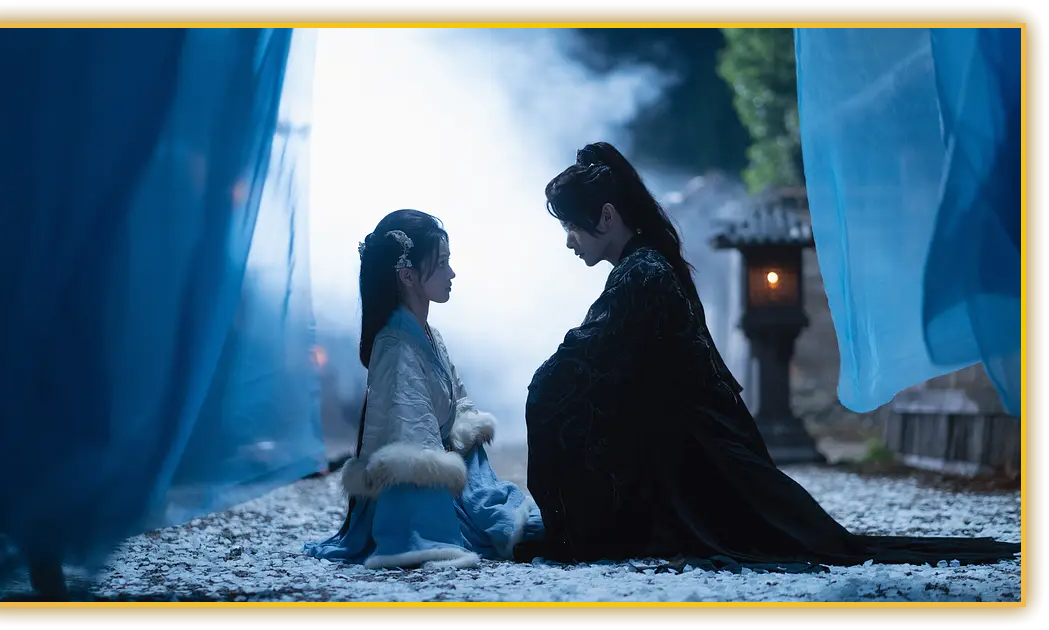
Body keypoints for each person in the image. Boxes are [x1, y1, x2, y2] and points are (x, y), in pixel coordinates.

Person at [520, 142, 1020, 571]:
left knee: (553, 396)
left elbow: (585, 360)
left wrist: (545, 390)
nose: (569, 241)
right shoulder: (644, 263)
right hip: (700, 439)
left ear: (607, 216)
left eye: (572, 227)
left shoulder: (642, 272)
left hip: (697, 452)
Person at [304, 209, 543, 569]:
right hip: (417, 497)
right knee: (533, 533)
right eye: (442, 263)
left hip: (456, 477)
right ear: (407, 275)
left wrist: (462, 450)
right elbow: (410, 442)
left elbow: (460, 406)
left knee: (529, 522)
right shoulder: (396, 346)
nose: (452, 273)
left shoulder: (430, 335)